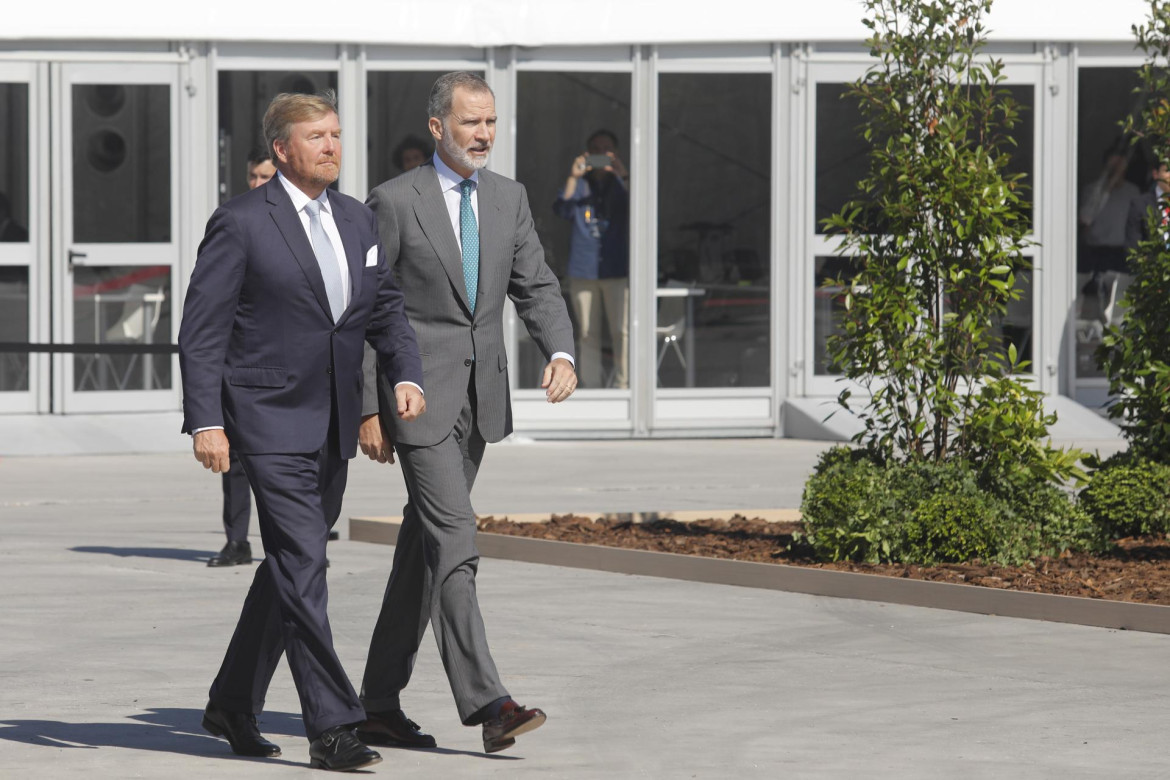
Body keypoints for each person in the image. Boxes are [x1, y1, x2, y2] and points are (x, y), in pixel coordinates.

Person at [178, 90, 425, 771]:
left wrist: (403, 377)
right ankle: (334, 725)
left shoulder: (356, 220)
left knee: (289, 567)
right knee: (304, 565)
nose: (331, 146)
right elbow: (201, 334)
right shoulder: (241, 223)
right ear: (282, 149)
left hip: (334, 425)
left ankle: (232, 702)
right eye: (315, 136)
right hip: (267, 421)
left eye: (336, 134)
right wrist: (205, 420)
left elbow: (386, 313)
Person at [355, 71, 577, 755]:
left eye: (490, 122)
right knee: (456, 539)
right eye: (469, 123)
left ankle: (378, 704)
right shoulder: (393, 202)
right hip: (414, 398)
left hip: (481, 402)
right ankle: (489, 703)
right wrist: (370, 406)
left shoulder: (508, 198)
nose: (482, 134)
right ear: (437, 128)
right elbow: (366, 309)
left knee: (423, 551)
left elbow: (534, 283)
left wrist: (561, 350)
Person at [207, 148, 276, 569]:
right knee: (233, 463)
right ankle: (237, 541)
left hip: (287, 366)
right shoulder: (235, 220)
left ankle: (298, 539)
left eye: (266, 176)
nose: (257, 184)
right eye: (252, 176)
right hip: (241, 360)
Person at [554, 129, 630, 389]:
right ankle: (592, 387)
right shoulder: (581, 184)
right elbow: (562, 209)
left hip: (617, 267)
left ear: (616, 153)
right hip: (583, 268)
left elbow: (641, 207)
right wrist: (573, 177)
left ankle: (624, 385)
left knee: (622, 331)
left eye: (606, 150)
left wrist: (623, 174)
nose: (600, 155)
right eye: (595, 150)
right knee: (587, 333)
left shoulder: (621, 183)